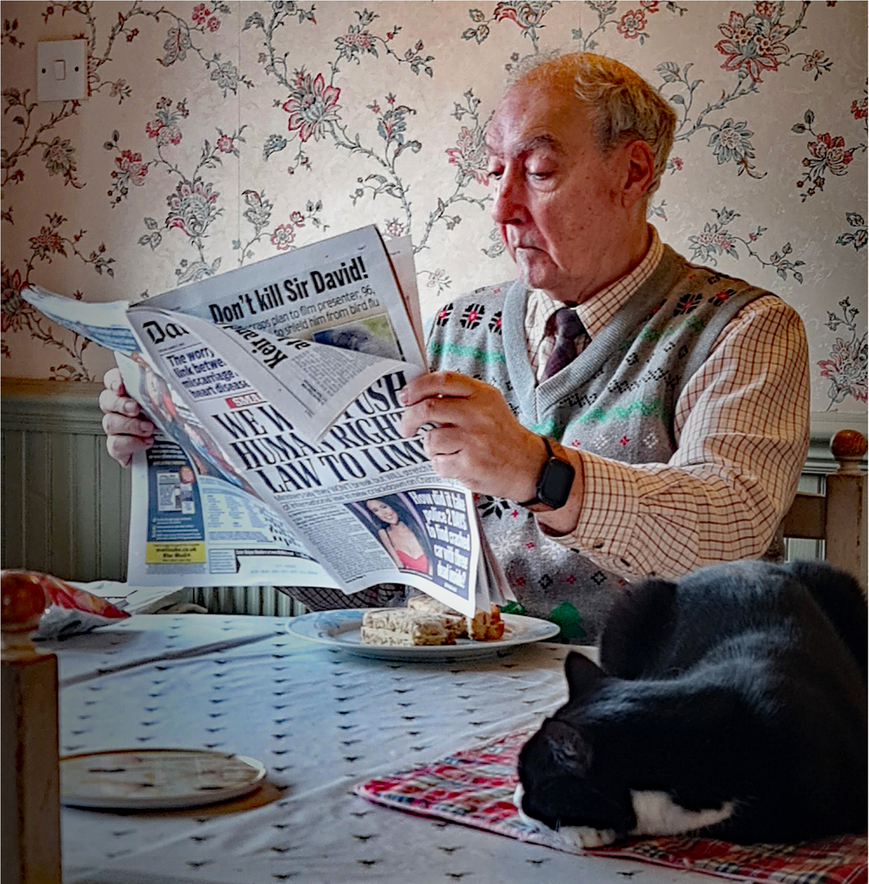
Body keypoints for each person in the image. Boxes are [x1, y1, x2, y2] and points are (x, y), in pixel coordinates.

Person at [100, 52, 810, 640]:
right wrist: (204, 452)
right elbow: (378, 589)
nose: (502, 208)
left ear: (632, 173)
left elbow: (731, 531)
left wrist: (539, 472)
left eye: (537, 171)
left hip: (645, 703)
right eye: (495, 171)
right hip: (454, 688)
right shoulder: (456, 327)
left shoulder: (743, 328)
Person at [363, 495, 434, 576]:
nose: (384, 513)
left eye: (384, 507)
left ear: (393, 504)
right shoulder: (384, 533)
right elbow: (399, 566)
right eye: (376, 510)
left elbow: (432, 561)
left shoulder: (418, 526)